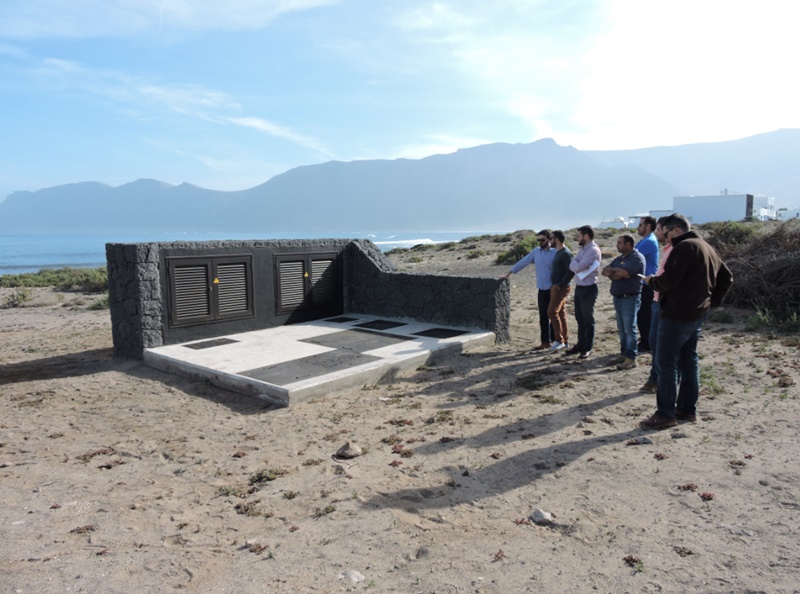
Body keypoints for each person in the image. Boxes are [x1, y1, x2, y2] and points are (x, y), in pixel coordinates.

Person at [640, 213, 733, 430]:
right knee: (688, 361)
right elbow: (727, 278)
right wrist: (711, 303)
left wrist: (651, 281)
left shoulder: (684, 247)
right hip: (695, 315)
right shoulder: (706, 246)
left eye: (664, 231)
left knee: (666, 364)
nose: (662, 235)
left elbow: (668, 281)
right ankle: (686, 409)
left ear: (676, 231)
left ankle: (665, 414)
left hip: (676, 315)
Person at [501, 230, 557, 350]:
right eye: (538, 240)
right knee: (543, 316)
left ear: (548, 239)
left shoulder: (556, 252)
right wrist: (510, 272)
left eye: (542, 240)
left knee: (553, 315)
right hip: (541, 289)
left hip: (554, 289)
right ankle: (545, 342)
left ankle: (555, 341)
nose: (540, 242)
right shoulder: (536, 252)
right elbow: (523, 262)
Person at [601, 234, 645, 370]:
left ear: (628, 244)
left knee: (629, 329)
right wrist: (617, 272)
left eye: (619, 243)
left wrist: (617, 273)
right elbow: (605, 271)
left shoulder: (637, 258)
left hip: (630, 298)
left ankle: (631, 358)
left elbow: (621, 274)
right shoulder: (620, 258)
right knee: (622, 329)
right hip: (618, 297)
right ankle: (624, 354)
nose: (616, 245)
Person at [641, 217, 672, 392]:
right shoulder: (667, 249)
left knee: (662, 345)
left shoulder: (678, 251)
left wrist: (654, 281)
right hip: (656, 297)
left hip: (664, 301)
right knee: (655, 342)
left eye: (660, 229)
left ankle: (659, 380)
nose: (658, 233)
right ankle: (656, 377)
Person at [566, 225, 602, 359]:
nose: (577, 238)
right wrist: (576, 265)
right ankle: (581, 344)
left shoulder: (593, 250)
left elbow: (578, 266)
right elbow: (573, 264)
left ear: (586, 236)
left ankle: (587, 347)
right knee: (579, 318)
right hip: (580, 287)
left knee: (588, 319)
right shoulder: (583, 250)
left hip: (589, 288)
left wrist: (576, 265)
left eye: (579, 235)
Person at [547, 230, 575, 352]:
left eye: (551, 238)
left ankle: (559, 340)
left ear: (557, 239)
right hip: (556, 286)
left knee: (552, 312)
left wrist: (560, 284)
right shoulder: (559, 252)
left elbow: (571, 271)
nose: (550, 241)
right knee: (561, 313)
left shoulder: (565, 253)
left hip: (561, 287)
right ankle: (565, 340)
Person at [635, 216, 659, 352]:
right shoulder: (644, 241)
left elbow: (632, 256)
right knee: (642, 315)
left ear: (648, 226)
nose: (638, 227)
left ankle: (647, 343)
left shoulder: (649, 241)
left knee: (645, 315)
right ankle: (645, 340)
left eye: (641, 225)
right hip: (644, 283)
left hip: (648, 284)